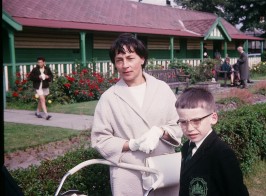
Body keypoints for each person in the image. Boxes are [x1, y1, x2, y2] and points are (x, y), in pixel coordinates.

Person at [91, 33, 182, 195]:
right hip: (129, 173)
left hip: (164, 169)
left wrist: (160, 131)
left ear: (142, 59)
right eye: (119, 60)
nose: (125, 65)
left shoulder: (162, 89)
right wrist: (132, 144)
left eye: (130, 58)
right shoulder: (109, 98)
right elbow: (100, 139)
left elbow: (179, 125)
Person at [175, 87, 249, 196]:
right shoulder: (186, 147)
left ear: (213, 118)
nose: (189, 128)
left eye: (196, 121)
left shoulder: (222, 154)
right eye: (183, 122)